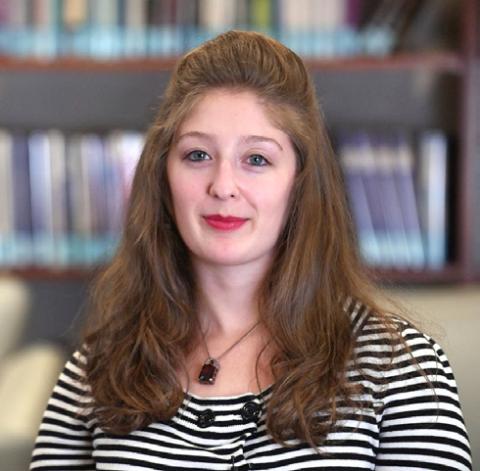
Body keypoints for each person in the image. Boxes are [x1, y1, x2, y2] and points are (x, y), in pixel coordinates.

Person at [30, 30, 471, 470]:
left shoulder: (397, 368)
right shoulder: (98, 368)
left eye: (256, 159)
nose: (223, 186)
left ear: (299, 183)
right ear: (162, 176)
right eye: (197, 155)